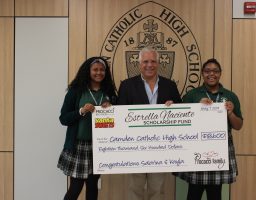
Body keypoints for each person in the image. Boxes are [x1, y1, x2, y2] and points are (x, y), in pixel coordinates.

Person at [118, 47, 182, 200]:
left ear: (158, 63)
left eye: (153, 61)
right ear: (139, 64)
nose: (149, 65)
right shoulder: (127, 85)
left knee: (157, 190)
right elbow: (119, 115)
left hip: (160, 147)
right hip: (135, 147)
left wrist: (173, 108)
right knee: (135, 189)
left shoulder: (170, 85)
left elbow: (182, 113)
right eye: (145, 61)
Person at [174, 58, 243, 200]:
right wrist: (196, 108)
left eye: (215, 71)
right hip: (197, 150)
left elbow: (238, 126)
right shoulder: (192, 95)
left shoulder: (230, 96)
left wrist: (230, 113)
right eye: (207, 71)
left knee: (215, 194)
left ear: (220, 74)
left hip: (219, 152)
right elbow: (180, 122)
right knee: (193, 193)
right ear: (202, 73)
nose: (211, 74)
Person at [57, 57, 117, 200]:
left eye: (102, 70)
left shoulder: (109, 92)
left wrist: (112, 105)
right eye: (95, 69)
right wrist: (81, 111)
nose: (99, 73)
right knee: (75, 188)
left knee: (92, 186)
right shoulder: (75, 91)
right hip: (78, 146)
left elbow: (119, 116)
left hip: (99, 146)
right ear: (88, 71)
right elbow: (63, 118)